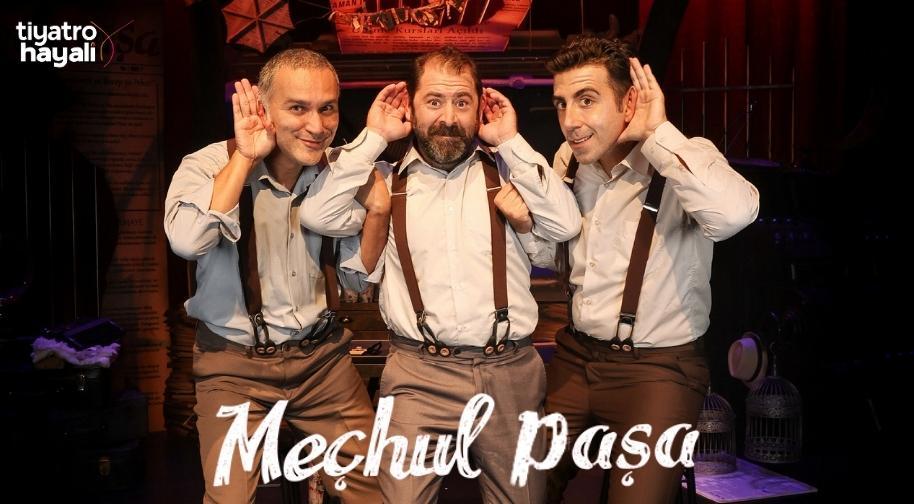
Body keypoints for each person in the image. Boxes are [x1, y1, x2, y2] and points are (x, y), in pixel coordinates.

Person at [299, 46, 581, 503]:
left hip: (508, 370)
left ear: (480, 108)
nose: (448, 117)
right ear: (409, 108)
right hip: (418, 373)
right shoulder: (383, 180)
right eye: (434, 101)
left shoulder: (511, 171)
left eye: (462, 102)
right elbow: (317, 213)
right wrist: (373, 137)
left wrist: (510, 140)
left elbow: (566, 225)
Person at [164, 48, 398, 503]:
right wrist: (244, 158)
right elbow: (188, 242)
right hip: (233, 365)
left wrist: (378, 211)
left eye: (327, 108)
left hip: (322, 362)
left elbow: (355, 281)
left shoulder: (339, 174)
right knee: (229, 499)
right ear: (264, 107)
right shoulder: (208, 164)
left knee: (372, 492)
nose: (316, 125)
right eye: (298, 108)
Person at [538, 36, 761, 504]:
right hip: (576, 357)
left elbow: (735, 215)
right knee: (521, 486)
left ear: (629, 102)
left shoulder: (684, 156)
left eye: (586, 100)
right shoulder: (568, 161)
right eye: (561, 103)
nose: (570, 120)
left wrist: (657, 132)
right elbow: (546, 251)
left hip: (659, 369)